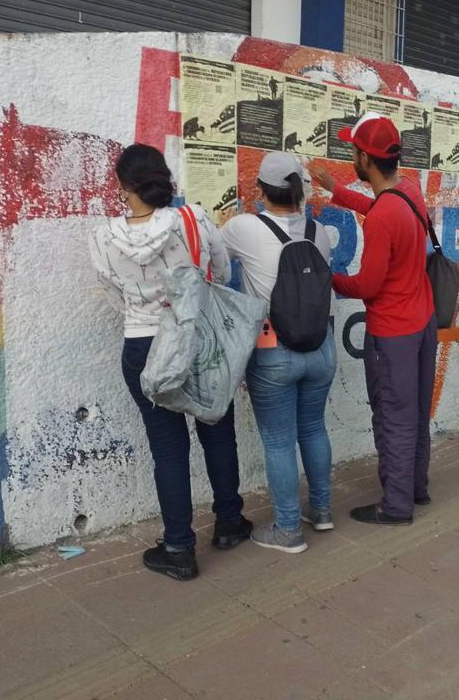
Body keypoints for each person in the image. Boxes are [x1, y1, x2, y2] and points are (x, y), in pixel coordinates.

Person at [88, 144, 250, 581]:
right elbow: (221, 271)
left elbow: (112, 297)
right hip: (199, 339)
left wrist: (148, 311)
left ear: (122, 186)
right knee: (218, 432)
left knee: (168, 450)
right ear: (164, 177)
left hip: (143, 348)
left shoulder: (104, 236)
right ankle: (230, 523)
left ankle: (178, 547)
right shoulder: (193, 218)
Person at [307, 113, 437, 526]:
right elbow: (381, 205)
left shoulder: (384, 217)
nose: (351, 155)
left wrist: (328, 278)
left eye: (353, 150)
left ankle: (395, 504)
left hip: (393, 333)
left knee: (393, 414)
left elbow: (368, 285)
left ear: (364, 158)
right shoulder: (409, 193)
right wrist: (337, 191)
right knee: (414, 411)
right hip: (422, 322)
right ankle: (415, 486)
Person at [221, 152, 336, 554]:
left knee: (279, 442)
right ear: (300, 190)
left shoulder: (243, 227)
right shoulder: (318, 231)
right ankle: (321, 510)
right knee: (314, 428)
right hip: (321, 348)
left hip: (274, 351)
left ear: (261, 190)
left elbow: (218, 264)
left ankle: (288, 529)